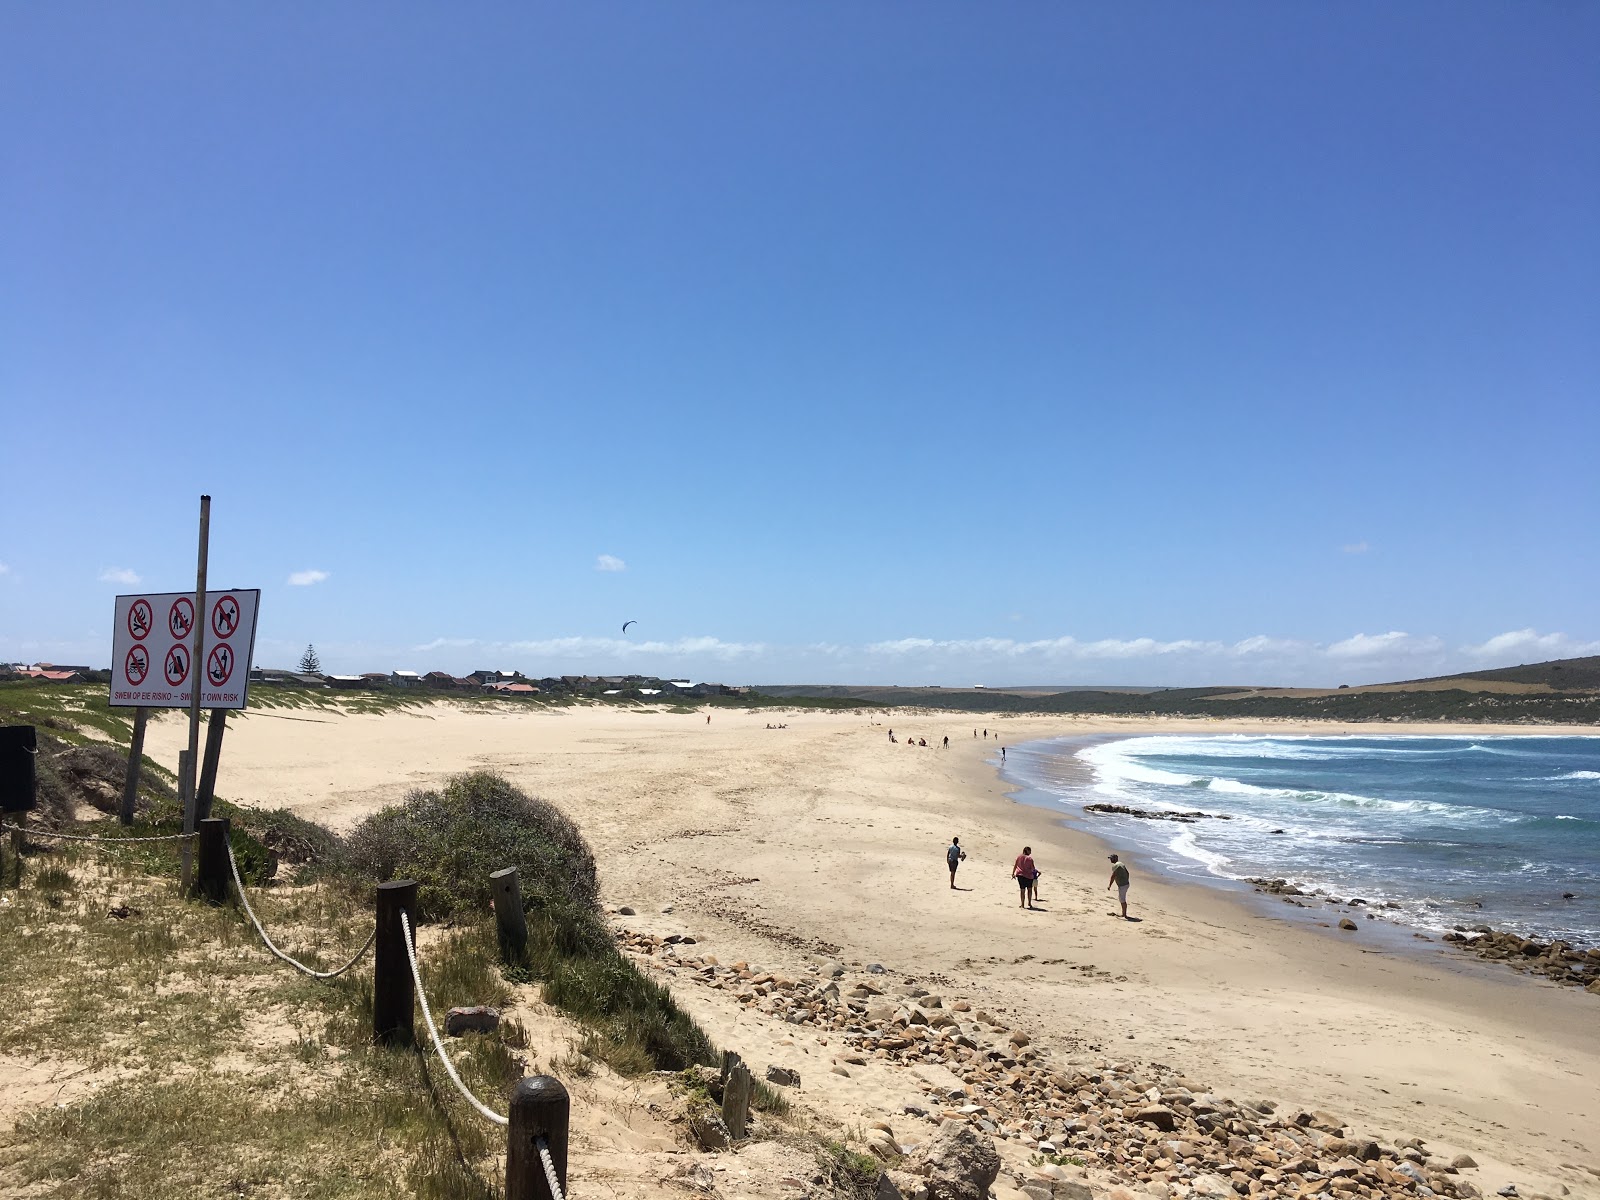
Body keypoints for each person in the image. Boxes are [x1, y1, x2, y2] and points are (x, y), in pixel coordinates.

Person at [1107, 854, 1131, 919]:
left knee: (1122, 899)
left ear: (1114, 859)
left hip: (1123, 885)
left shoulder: (1116, 866)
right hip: (1126, 884)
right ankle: (1124, 913)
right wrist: (1126, 880)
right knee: (1121, 899)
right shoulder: (1121, 864)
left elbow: (1113, 876)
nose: (1110, 860)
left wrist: (1109, 885)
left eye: (1111, 858)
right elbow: (1127, 873)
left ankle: (1124, 915)